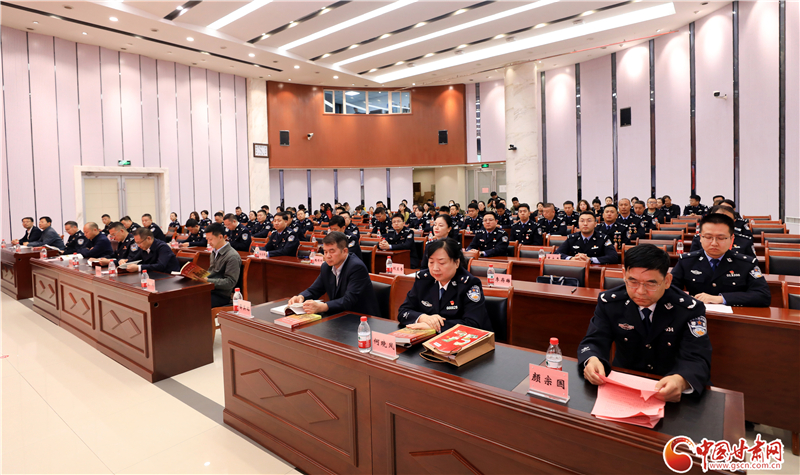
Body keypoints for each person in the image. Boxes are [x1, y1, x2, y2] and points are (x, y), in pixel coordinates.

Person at [578, 244, 712, 401]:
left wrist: (681, 380)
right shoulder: (610, 302)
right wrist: (592, 359)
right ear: (624, 275)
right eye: (633, 281)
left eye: (651, 284)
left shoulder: (688, 309)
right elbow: (594, 340)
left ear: (667, 280)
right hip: (624, 384)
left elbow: (698, 357)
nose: (640, 291)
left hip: (669, 387)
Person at [671, 214, 769, 307]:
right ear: (700, 238)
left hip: (733, 316)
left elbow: (763, 296)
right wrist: (687, 299)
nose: (714, 243)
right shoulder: (686, 261)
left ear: (731, 239)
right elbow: (669, 288)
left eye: (721, 238)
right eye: (708, 237)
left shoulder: (746, 264)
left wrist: (720, 299)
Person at [398, 238, 492, 332]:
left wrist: (436, 327)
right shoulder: (423, 280)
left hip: (462, 339)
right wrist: (422, 318)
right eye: (431, 262)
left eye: (441, 263)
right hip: (427, 337)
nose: (435, 268)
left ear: (456, 263)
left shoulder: (469, 284)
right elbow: (403, 312)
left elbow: (473, 324)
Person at [288, 232, 380, 316]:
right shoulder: (326, 267)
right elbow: (314, 290)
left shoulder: (356, 267)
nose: (328, 256)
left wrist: (322, 307)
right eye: (325, 252)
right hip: (340, 315)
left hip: (361, 317)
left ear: (345, 251)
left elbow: (349, 300)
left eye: (332, 251)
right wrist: (301, 297)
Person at [688, 205, 754, 257]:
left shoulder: (745, 241)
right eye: (719, 219)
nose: (722, 223)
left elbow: (751, 264)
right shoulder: (698, 238)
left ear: (734, 221)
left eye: (727, 220)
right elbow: (692, 261)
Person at [203, 223, 242, 308]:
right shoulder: (214, 252)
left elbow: (230, 282)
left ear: (220, 237)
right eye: (207, 239)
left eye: (210, 239)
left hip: (221, 295)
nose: (208, 243)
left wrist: (208, 280)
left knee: (194, 302)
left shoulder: (232, 256)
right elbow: (212, 272)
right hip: (210, 289)